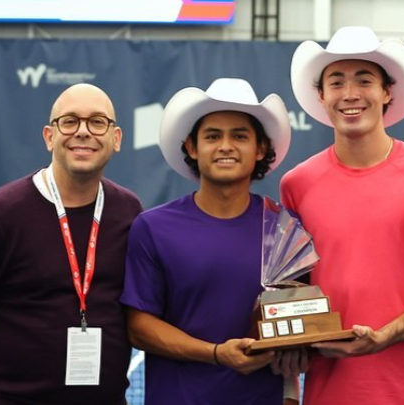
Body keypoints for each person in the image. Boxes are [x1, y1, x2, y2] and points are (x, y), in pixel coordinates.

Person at [279, 27, 404, 405]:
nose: (350, 94)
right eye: (336, 82)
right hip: (328, 393)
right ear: (321, 96)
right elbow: (290, 289)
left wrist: (386, 335)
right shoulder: (295, 185)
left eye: (364, 80)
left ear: (387, 92)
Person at [0, 83, 143, 405]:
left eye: (98, 122)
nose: (83, 132)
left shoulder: (129, 211)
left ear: (116, 139)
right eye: (69, 121)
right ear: (49, 136)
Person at [120, 78, 301, 405]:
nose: (226, 146)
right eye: (213, 136)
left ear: (260, 149)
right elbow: (139, 328)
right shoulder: (153, 228)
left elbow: (298, 323)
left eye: (240, 136)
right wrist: (216, 354)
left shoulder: (284, 228)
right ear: (192, 147)